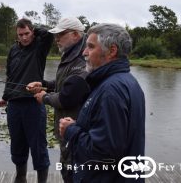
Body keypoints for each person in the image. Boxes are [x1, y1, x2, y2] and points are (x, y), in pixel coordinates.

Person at [59, 23, 146, 183]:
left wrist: (71, 130)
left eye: (90, 47)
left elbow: (103, 153)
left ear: (112, 51)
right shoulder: (128, 82)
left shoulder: (110, 90)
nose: (84, 52)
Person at [26, 17, 90, 183]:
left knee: (72, 173)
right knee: (67, 169)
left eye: (61, 35)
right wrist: (44, 84)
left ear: (75, 34)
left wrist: (44, 97)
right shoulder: (71, 54)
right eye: (55, 35)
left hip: (76, 128)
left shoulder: (81, 59)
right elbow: (65, 84)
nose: (56, 39)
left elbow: (68, 97)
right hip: (68, 130)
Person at [0, 18, 53, 183]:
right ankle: (21, 178)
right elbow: (10, 76)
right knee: (17, 146)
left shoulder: (40, 47)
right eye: (21, 35)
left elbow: (48, 34)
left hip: (34, 104)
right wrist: (5, 98)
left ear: (32, 32)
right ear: (16, 35)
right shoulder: (13, 50)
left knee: (38, 147)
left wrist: (35, 32)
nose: (24, 38)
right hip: (14, 106)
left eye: (27, 33)